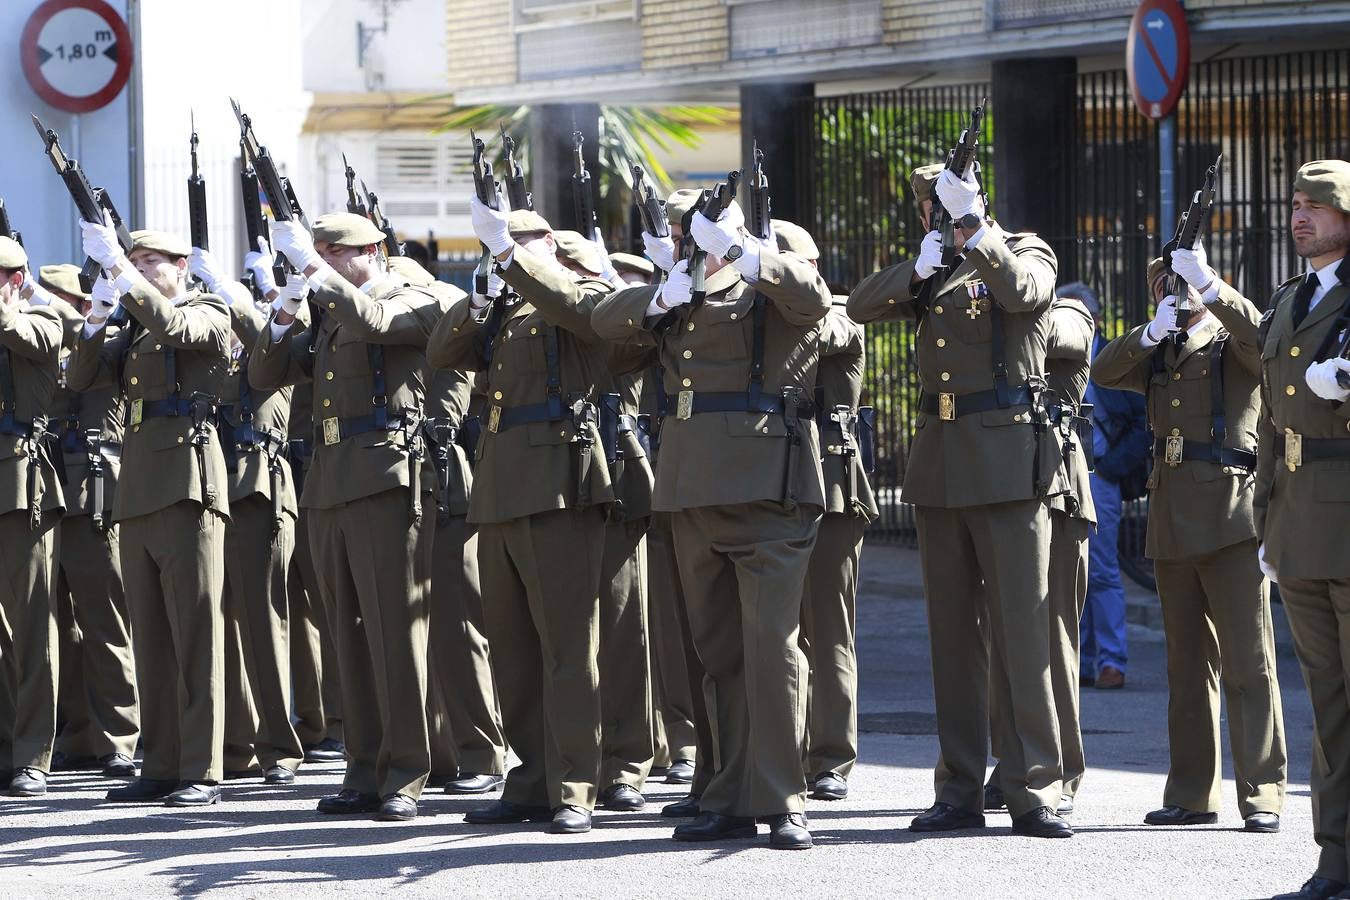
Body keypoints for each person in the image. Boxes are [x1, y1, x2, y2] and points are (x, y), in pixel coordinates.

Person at [592, 187, 832, 850]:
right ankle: (728, 793)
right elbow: (606, 338)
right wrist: (659, 296)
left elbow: (814, 298)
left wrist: (742, 249)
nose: (685, 243)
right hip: (691, 493)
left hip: (767, 492)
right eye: (678, 233)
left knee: (772, 648)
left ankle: (782, 795)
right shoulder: (675, 300)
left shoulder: (765, 286)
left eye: (693, 231)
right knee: (718, 651)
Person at [848, 163, 1069, 838]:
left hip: (1006, 460)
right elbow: (857, 304)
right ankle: (959, 788)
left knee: (1021, 630)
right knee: (951, 636)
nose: (933, 219)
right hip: (940, 462)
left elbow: (1026, 293)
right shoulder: (932, 268)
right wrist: (917, 270)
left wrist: (975, 227)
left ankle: (1034, 788)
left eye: (941, 207)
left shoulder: (1022, 249)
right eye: (929, 210)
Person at [427, 201, 615, 836]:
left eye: (519, 239)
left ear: (549, 247)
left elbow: (589, 315)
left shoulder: (584, 294)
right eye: (498, 240)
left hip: (559, 487)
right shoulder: (506, 309)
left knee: (567, 647)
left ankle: (577, 786)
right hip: (502, 488)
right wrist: (477, 301)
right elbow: (443, 356)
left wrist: (514, 258)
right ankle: (531, 777)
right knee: (512, 647)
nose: (502, 249)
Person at [249, 213, 443, 822]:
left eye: (339, 252)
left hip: (386, 477)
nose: (329, 261)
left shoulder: (414, 295)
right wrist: (283, 309)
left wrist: (310, 268)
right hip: (329, 481)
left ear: (375, 250)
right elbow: (264, 374)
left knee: (392, 631)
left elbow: (377, 322)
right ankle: (363, 768)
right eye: (323, 252)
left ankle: (407, 771)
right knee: (347, 636)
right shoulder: (328, 308)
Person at [1093, 255, 1287, 833]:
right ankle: (1192, 794)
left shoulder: (1235, 344)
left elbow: (1264, 336)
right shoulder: (1157, 349)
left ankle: (1264, 794)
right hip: (1172, 523)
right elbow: (1103, 370)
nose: (1173, 293)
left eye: (1179, 283)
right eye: (1161, 286)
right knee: (1185, 667)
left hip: (1230, 520)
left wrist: (1210, 286)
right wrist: (1152, 328)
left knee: (1248, 663)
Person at [67, 226, 232, 807]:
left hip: (189, 484)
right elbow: (78, 378)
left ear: (180, 266)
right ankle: (160, 761)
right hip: (135, 491)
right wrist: (95, 318)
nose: (138, 268)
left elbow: (178, 327)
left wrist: (124, 276)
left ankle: (201, 768)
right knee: (153, 637)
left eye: (149, 261)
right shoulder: (134, 327)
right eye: (132, 259)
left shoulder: (207, 308)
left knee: (195, 633)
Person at [1257, 160, 1350, 900]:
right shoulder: (1291, 299)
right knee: (1329, 707)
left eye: (1318, 205)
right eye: (1297, 203)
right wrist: (1265, 517)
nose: (1302, 215)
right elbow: (1270, 425)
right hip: (1299, 525)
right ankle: (1334, 862)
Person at [385, 253, 506, 796]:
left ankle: (483, 752)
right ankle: (442, 750)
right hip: (412, 485)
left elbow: (452, 402)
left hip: (445, 482)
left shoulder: (443, 321)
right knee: (420, 631)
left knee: (458, 626)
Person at [772, 219, 878, 801]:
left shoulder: (836, 312)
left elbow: (825, 330)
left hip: (831, 486)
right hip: (773, 478)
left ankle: (831, 757)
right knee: (774, 630)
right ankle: (780, 749)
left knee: (828, 626)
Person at [190, 249, 305, 786]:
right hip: (212, 490)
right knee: (219, 626)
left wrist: (231, 297)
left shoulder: (272, 349)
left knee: (263, 624)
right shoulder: (214, 357)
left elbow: (265, 336)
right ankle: (234, 744)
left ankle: (279, 747)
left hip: (258, 493)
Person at [24, 264, 138, 780]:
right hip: (48, 488)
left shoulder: (105, 338)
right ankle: (78, 735)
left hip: (94, 490)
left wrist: (46, 301)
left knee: (103, 619)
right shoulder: (38, 339)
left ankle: (120, 737)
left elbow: (83, 341)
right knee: (58, 625)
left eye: (55, 297)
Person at [987, 284, 1097, 817]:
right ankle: (1013, 762)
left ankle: (1066, 769)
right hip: (1011, 492)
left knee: (1052, 638)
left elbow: (1067, 334)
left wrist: (1009, 309)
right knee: (1007, 641)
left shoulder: (1069, 315)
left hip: (1058, 497)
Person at [0, 237, 66, 797]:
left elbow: (23, 336)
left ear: (15, 280)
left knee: (30, 623)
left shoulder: (43, 320)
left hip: (21, 480)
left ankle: (32, 754)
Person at [1081, 297, 1150, 691]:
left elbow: (1142, 422)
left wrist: (1109, 469)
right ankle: (1082, 659)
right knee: (1068, 572)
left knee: (1102, 570)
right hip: (1059, 477)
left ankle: (1110, 660)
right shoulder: (1050, 355)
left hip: (1098, 476)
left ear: (1095, 317)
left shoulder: (1111, 358)